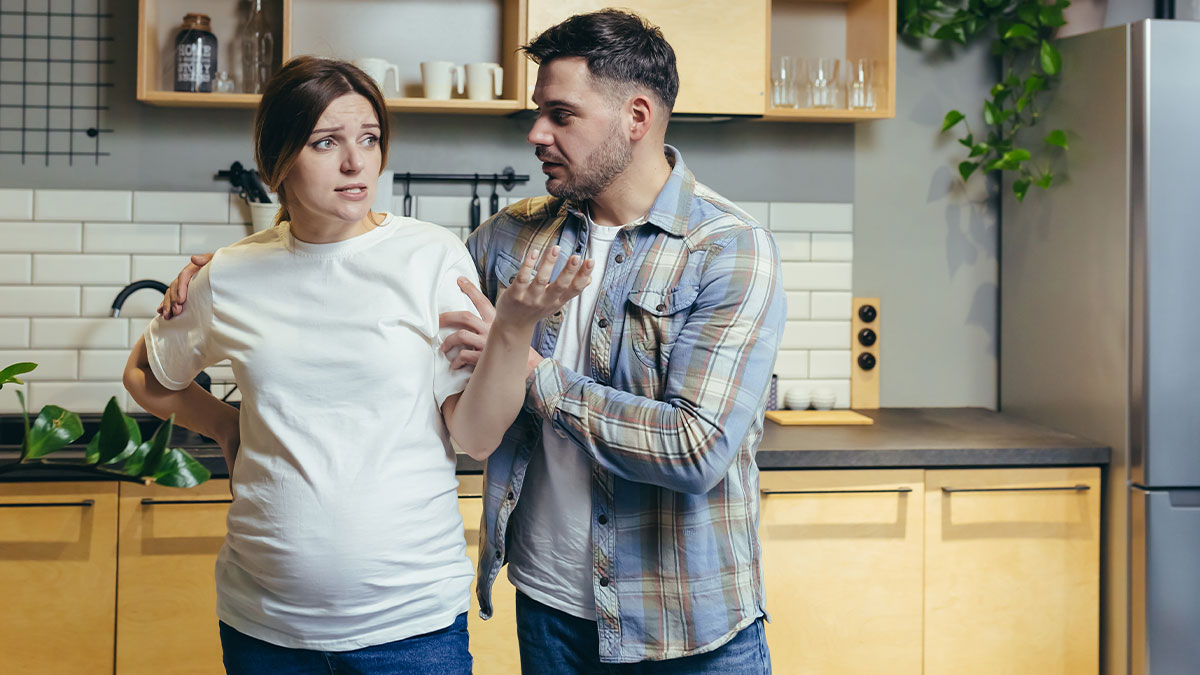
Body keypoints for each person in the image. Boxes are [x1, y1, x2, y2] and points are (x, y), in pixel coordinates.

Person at [161, 10, 785, 674]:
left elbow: (695, 449)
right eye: (537, 112)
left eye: (560, 115)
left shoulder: (729, 248)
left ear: (636, 117)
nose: (536, 133)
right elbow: (366, 271)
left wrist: (533, 367)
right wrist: (236, 267)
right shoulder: (509, 239)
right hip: (549, 609)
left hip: (685, 621)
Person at [126, 55, 589, 675]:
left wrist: (511, 331)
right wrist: (225, 425)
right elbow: (148, 379)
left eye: (369, 139)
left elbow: (476, 436)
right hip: (263, 624)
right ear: (279, 159)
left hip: (412, 626)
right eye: (326, 143)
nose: (356, 163)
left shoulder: (430, 257)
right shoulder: (230, 273)